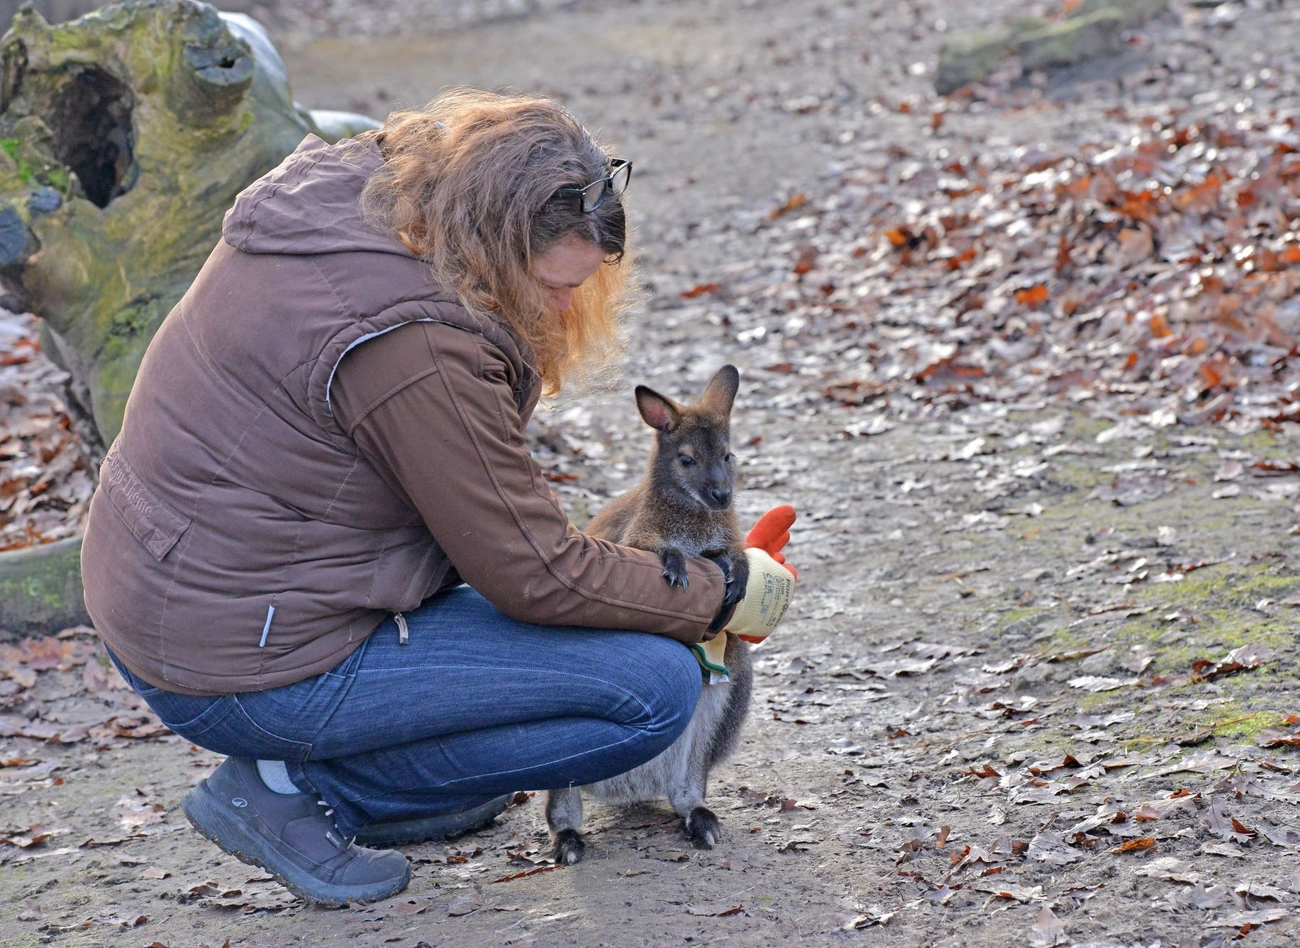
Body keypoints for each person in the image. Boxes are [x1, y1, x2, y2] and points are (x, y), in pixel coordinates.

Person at [81, 89, 796, 907]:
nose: (567, 307)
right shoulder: (416, 347)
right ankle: (301, 797)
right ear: (500, 241)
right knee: (652, 688)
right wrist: (718, 594)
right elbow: (535, 573)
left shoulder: (368, 194)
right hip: (241, 652)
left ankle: (385, 767)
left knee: (573, 662)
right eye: (557, 286)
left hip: (183, 586)